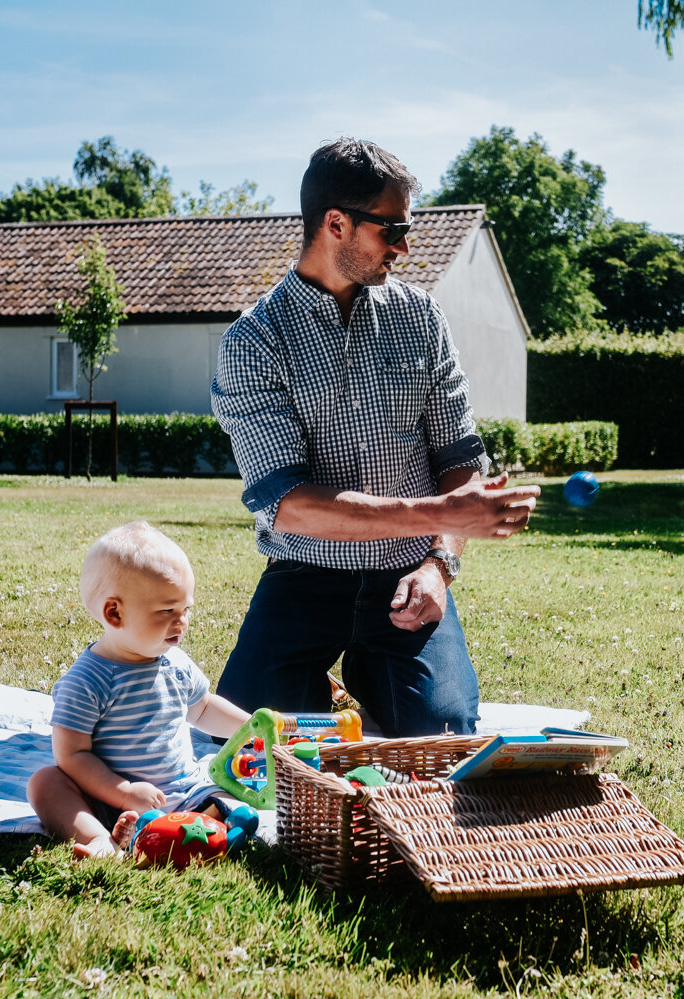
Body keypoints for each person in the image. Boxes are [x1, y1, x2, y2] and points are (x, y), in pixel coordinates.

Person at [211, 138, 540, 737]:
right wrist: (445, 512)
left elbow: (460, 457)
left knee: (443, 737)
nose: (405, 246)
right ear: (335, 223)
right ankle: (338, 692)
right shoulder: (253, 342)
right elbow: (289, 506)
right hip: (303, 579)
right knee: (244, 743)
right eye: (392, 229)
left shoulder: (421, 317)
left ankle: (364, 681)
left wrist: (439, 563)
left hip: (407, 575)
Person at [27, 522, 258, 860]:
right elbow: (71, 756)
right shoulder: (87, 681)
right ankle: (100, 839)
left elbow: (204, 708)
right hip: (110, 800)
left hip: (184, 791)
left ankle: (191, 827)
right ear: (114, 613)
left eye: (185, 610)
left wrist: (252, 729)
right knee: (45, 783)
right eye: (167, 611)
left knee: (229, 790)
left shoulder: (175, 663)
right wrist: (123, 792)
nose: (181, 621)